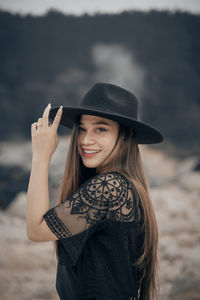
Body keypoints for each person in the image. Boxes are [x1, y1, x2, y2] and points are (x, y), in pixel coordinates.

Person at [26, 82, 164, 300]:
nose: (85, 140)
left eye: (101, 129)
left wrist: (40, 157)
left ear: (126, 136)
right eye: (82, 129)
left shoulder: (108, 187)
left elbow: (36, 230)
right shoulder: (124, 184)